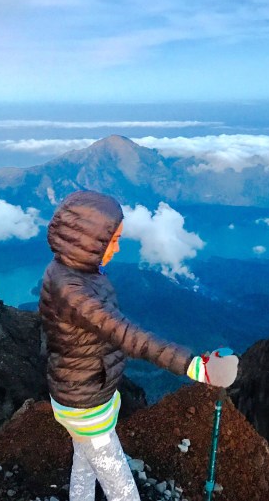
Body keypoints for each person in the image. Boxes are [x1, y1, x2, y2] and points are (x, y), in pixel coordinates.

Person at [39, 190, 239, 501]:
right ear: (87, 240)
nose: (117, 248)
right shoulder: (73, 292)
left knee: (84, 463)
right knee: (120, 486)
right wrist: (195, 366)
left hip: (79, 393)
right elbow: (127, 334)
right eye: (113, 240)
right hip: (85, 404)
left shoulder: (69, 270)